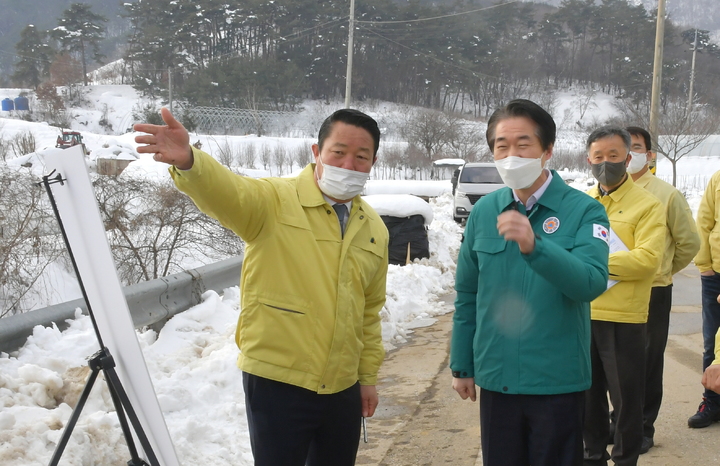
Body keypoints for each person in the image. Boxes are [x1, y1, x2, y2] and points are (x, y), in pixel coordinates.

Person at [134, 108, 389, 466]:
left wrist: (366, 377)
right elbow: (228, 191)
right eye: (338, 152)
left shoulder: (374, 228)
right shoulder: (273, 201)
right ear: (316, 152)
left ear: (373, 162)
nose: (349, 164)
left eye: (361, 157)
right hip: (278, 383)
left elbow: (368, 312)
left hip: (342, 387)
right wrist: (191, 162)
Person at [450, 99, 610, 466]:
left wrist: (535, 246)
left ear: (547, 150)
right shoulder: (486, 211)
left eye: (523, 145)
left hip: (556, 381)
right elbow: (468, 294)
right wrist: (462, 364)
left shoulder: (584, 210)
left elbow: (591, 282)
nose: (511, 156)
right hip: (497, 377)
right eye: (501, 146)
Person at [583, 126, 665, 466]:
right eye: (598, 157)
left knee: (626, 400)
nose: (606, 163)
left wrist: (594, 261)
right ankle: (592, 456)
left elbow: (647, 261)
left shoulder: (647, 205)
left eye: (614, 156)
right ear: (588, 160)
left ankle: (626, 459)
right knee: (587, 398)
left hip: (624, 319)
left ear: (628, 158)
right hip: (584, 313)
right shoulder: (583, 202)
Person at [623, 126, 699, 451]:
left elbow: (689, 242)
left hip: (652, 291)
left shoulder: (667, 195)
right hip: (609, 290)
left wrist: (663, 269)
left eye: (635, 147)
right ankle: (616, 422)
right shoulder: (601, 193)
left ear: (649, 155)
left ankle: (642, 429)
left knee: (646, 361)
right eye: (621, 148)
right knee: (612, 360)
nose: (628, 155)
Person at [690, 168, 720, 428]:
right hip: (715, 274)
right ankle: (712, 401)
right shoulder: (718, 178)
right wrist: (705, 265)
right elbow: (704, 222)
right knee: (712, 341)